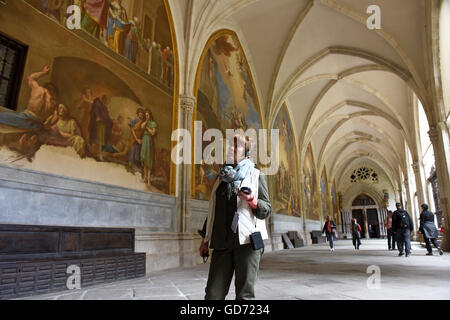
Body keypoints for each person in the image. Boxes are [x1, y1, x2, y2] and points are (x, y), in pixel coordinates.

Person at [199, 135, 272, 300]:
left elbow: (266, 210)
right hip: (221, 243)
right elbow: (213, 211)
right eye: (229, 146)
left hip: (247, 243)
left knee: (244, 296)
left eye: (237, 146)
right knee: (212, 295)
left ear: (246, 154)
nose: (231, 149)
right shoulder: (221, 178)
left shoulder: (256, 175)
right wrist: (205, 239)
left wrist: (253, 201)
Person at [89, 95, 113, 161]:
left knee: (100, 140)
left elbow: (105, 115)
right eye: (108, 100)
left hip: (103, 124)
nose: (108, 102)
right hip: (99, 124)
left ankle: (96, 153)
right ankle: (98, 154)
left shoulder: (103, 106)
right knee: (99, 140)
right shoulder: (98, 104)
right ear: (104, 99)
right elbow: (96, 111)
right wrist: (98, 116)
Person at [140, 109, 157, 187]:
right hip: (144, 140)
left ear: (150, 115)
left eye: (147, 115)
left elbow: (153, 133)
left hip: (149, 141)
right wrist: (146, 122)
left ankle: (149, 180)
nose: (146, 116)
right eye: (145, 115)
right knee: (144, 158)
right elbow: (141, 127)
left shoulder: (153, 123)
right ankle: (144, 177)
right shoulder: (145, 122)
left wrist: (147, 128)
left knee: (148, 160)